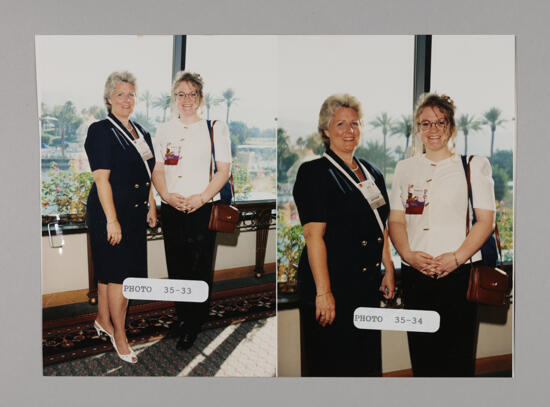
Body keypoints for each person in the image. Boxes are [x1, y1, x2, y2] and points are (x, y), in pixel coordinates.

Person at [388, 93, 496, 377]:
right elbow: (397, 220)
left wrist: (457, 258)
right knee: (422, 355)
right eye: (426, 123)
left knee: (456, 358)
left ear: (450, 126)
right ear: (418, 128)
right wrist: (408, 255)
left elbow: (485, 221)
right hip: (416, 276)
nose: (433, 129)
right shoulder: (405, 169)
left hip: (458, 276)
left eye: (440, 122)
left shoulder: (473, 165)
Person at [292, 94, 395, 377]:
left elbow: (380, 226)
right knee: (333, 363)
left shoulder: (372, 173)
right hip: (333, 283)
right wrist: (324, 293)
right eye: (340, 124)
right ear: (326, 130)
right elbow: (314, 237)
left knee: (366, 360)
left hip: (366, 283)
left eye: (355, 123)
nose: (349, 131)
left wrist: (388, 267)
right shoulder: (314, 172)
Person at [152, 71, 231, 351]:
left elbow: (224, 171)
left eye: (192, 94)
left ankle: (194, 322)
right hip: (172, 208)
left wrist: (202, 197)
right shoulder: (163, 130)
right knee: (177, 265)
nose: (187, 99)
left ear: (200, 97)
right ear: (174, 98)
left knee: (199, 268)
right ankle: (183, 316)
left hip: (202, 208)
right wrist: (165, 196)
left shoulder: (214, 128)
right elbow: (159, 168)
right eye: (181, 94)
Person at [85, 71, 157, 364]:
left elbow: (150, 175)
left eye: (130, 94)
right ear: (108, 99)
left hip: (136, 213)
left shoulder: (142, 131)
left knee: (109, 273)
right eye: (120, 94)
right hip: (110, 211)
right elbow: (102, 180)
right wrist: (112, 220)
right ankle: (120, 335)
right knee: (120, 278)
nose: (126, 100)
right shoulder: (101, 130)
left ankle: (103, 319)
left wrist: (152, 204)